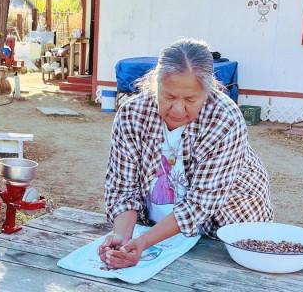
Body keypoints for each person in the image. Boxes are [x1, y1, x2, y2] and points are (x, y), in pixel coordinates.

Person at [98, 39, 273, 268]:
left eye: (190, 100)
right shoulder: (132, 114)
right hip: (159, 232)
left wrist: (143, 242)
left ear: (208, 92)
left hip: (227, 229)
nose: (178, 109)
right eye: (169, 97)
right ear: (155, 84)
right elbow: (123, 189)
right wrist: (122, 238)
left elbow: (200, 204)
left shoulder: (224, 118)